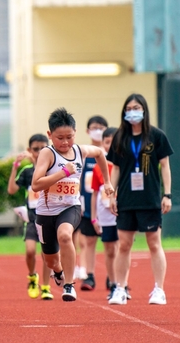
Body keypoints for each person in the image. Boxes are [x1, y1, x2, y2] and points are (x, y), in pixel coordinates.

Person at [31, 107, 113, 302]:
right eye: (60, 138)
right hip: (46, 211)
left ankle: (69, 285)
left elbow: (100, 154)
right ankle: (58, 271)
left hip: (71, 207)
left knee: (66, 236)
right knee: (50, 259)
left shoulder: (80, 150)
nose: (65, 142)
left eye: (69, 136)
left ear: (75, 134)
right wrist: (63, 173)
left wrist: (108, 181)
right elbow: (36, 183)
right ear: (50, 135)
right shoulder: (47, 154)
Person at [108, 94, 172, 305]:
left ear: (144, 110)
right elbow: (116, 169)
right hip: (126, 199)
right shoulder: (119, 137)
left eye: (136, 107)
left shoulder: (156, 135)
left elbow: (165, 166)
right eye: (128, 108)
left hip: (150, 198)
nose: (132, 111)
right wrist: (112, 195)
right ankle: (119, 288)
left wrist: (167, 195)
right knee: (124, 245)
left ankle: (159, 290)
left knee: (154, 243)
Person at [7, 134, 52, 300]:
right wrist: (15, 166)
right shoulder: (27, 172)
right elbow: (12, 190)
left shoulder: (53, 169)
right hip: (33, 219)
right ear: (29, 151)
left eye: (43, 148)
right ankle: (33, 277)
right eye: (35, 149)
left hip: (49, 217)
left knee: (47, 254)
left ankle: (46, 286)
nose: (39, 151)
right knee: (30, 251)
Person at [90, 127, 125, 302]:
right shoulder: (98, 168)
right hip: (105, 214)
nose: (110, 145)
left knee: (122, 248)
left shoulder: (125, 164)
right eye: (107, 142)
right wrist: (94, 217)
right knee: (110, 250)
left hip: (122, 212)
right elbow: (95, 193)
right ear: (102, 144)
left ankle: (122, 284)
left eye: (113, 142)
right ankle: (113, 283)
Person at [77, 115, 108, 291]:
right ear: (88, 131)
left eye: (101, 127)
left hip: (107, 207)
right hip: (88, 205)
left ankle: (114, 277)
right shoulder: (84, 154)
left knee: (112, 243)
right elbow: (78, 179)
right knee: (88, 241)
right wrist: (79, 201)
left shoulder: (110, 154)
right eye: (95, 127)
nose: (98, 131)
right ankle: (89, 275)